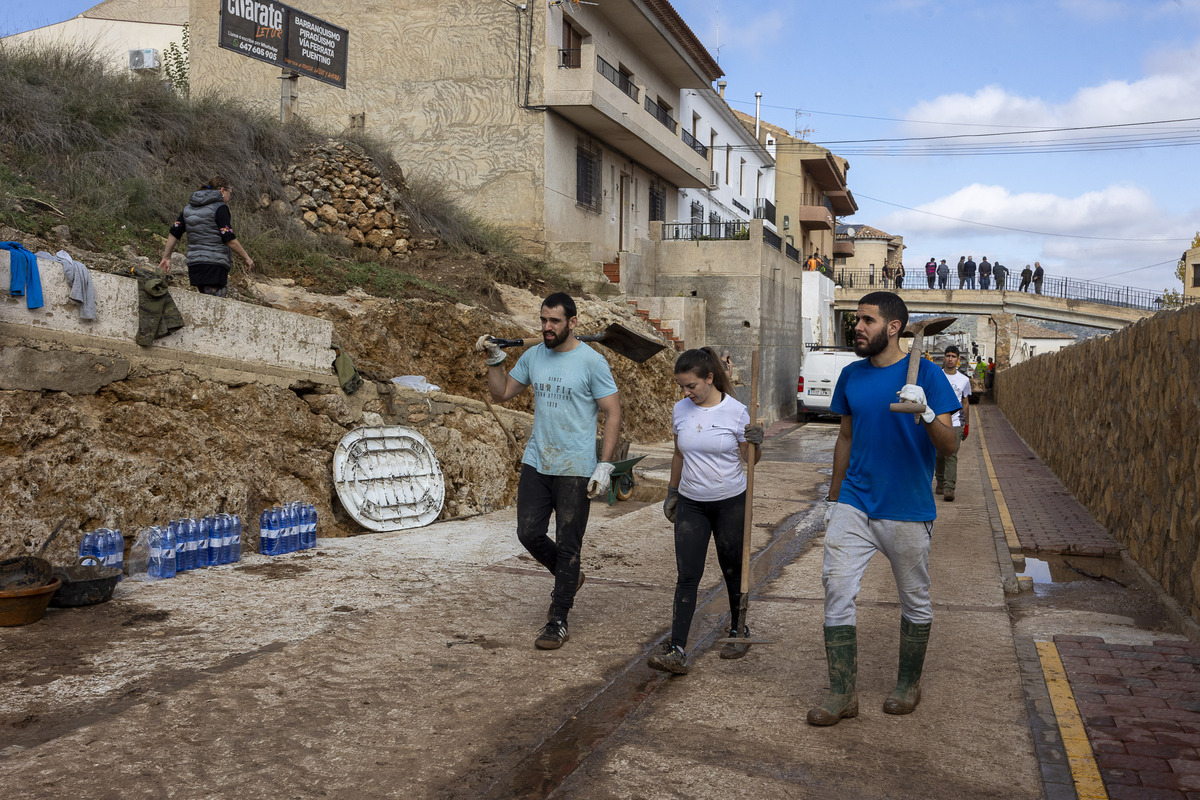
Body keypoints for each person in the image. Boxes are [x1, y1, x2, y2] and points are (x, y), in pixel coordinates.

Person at [807, 291, 960, 727]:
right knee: (836, 590)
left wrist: (927, 412)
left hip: (907, 506)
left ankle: (908, 684)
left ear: (894, 328)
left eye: (867, 320)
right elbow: (845, 439)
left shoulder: (928, 376)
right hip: (855, 501)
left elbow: (950, 447)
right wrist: (834, 501)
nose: (857, 327)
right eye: (857, 319)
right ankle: (842, 693)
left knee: (914, 600)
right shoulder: (851, 376)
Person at [476, 293, 621, 650]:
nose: (546, 327)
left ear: (573, 322)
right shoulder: (533, 356)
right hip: (538, 460)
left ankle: (558, 618)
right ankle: (569, 578)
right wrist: (495, 360)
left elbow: (613, 413)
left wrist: (605, 464)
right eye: (543, 320)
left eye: (554, 321)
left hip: (575, 467)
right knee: (528, 533)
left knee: (570, 544)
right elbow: (503, 394)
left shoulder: (592, 362)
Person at [648, 348, 764, 675]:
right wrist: (672, 492)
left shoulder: (737, 412)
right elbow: (678, 454)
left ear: (710, 378)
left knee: (732, 569)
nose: (687, 393)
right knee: (687, 575)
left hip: (730, 501)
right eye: (682, 387)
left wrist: (757, 442)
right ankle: (677, 649)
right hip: (691, 503)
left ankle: (739, 630)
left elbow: (749, 461)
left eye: (692, 386)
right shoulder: (680, 410)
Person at [159, 176, 254, 297]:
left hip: (195, 265)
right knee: (215, 305)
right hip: (214, 265)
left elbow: (174, 232)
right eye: (231, 193)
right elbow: (228, 237)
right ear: (222, 191)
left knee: (205, 300)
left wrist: (166, 258)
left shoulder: (188, 209)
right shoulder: (220, 208)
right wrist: (246, 258)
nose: (230, 198)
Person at [934, 346, 971, 502]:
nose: (950, 359)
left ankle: (949, 488)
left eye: (953, 356)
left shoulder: (964, 380)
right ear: (944, 358)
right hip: (938, 422)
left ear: (958, 359)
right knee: (938, 455)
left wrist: (966, 425)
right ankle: (940, 482)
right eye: (947, 356)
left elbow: (966, 403)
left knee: (951, 454)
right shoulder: (936, 376)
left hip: (956, 422)